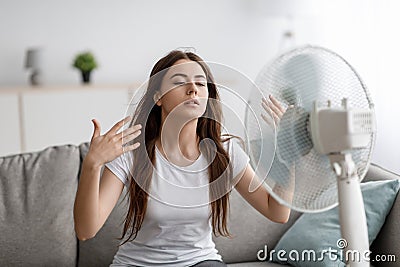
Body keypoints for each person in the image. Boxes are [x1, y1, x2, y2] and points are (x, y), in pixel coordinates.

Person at [73, 50, 292, 267]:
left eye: (201, 83)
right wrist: (93, 164)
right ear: (158, 97)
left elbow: (277, 211)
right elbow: (86, 230)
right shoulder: (132, 152)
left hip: (200, 262)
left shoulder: (226, 152)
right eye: (179, 82)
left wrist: (290, 152)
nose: (193, 90)